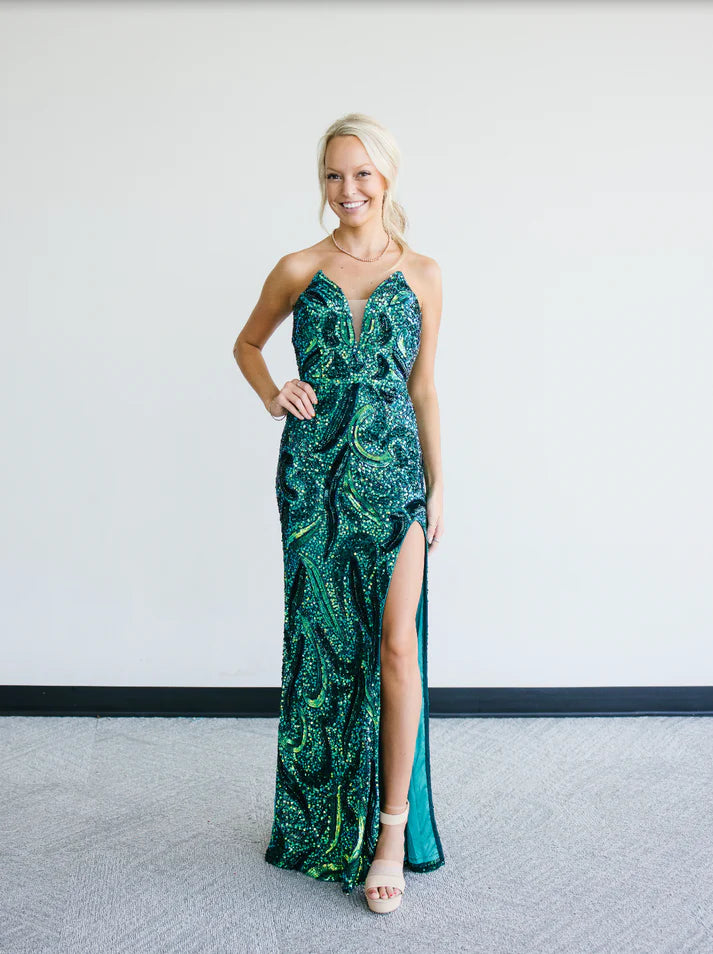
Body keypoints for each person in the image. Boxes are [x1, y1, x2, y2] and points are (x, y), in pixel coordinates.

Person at [233, 112, 445, 914]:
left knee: (396, 646)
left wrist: (438, 487)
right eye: (332, 174)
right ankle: (321, 818)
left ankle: (389, 834)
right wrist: (272, 392)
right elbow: (247, 344)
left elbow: (422, 387)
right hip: (313, 478)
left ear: (385, 177)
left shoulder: (423, 273)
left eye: (360, 173)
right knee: (322, 647)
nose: (346, 189)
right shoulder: (298, 266)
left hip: (395, 481)